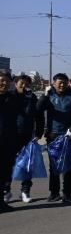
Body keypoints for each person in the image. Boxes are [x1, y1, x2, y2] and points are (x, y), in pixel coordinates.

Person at [36, 73, 71, 202]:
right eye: (59, 82)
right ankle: (54, 192)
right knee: (54, 166)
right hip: (53, 135)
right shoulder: (49, 96)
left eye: (64, 83)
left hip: (69, 135)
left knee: (69, 166)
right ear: (54, 83)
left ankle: (67, 193)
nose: (62, 85)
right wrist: (44, 95)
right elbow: (38, 109)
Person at [8, 74, 43, 203]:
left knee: (28, 164)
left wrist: (39, 132)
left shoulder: (32, 97)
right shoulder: (9, 96)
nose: (24, 86)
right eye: (21, 83)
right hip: (10, 134)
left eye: (27, 84)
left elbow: (38, 115)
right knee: (8, 164)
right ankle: (6, 190)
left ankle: (25, 190)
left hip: (28, 135)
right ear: (15, 83)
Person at [0, 69, 19, 212]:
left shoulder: (12, 98)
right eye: (1, 80)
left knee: (5, 173)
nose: (4, 83)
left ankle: (1, 202)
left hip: (8, 141)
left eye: (7, 81)